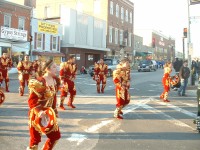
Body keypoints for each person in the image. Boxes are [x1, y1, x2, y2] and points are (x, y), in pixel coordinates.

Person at [27, 59, 61, 150]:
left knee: (55, 136)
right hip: (37, 114)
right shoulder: (40, 82)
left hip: (48, 114)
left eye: (56, 66)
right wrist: (39, 111)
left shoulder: (55, 80)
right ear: (47, 69)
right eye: (54, 67)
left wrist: (54, 111)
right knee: (35, 141)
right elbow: (31, 100)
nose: (56, 68)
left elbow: (53, 98)